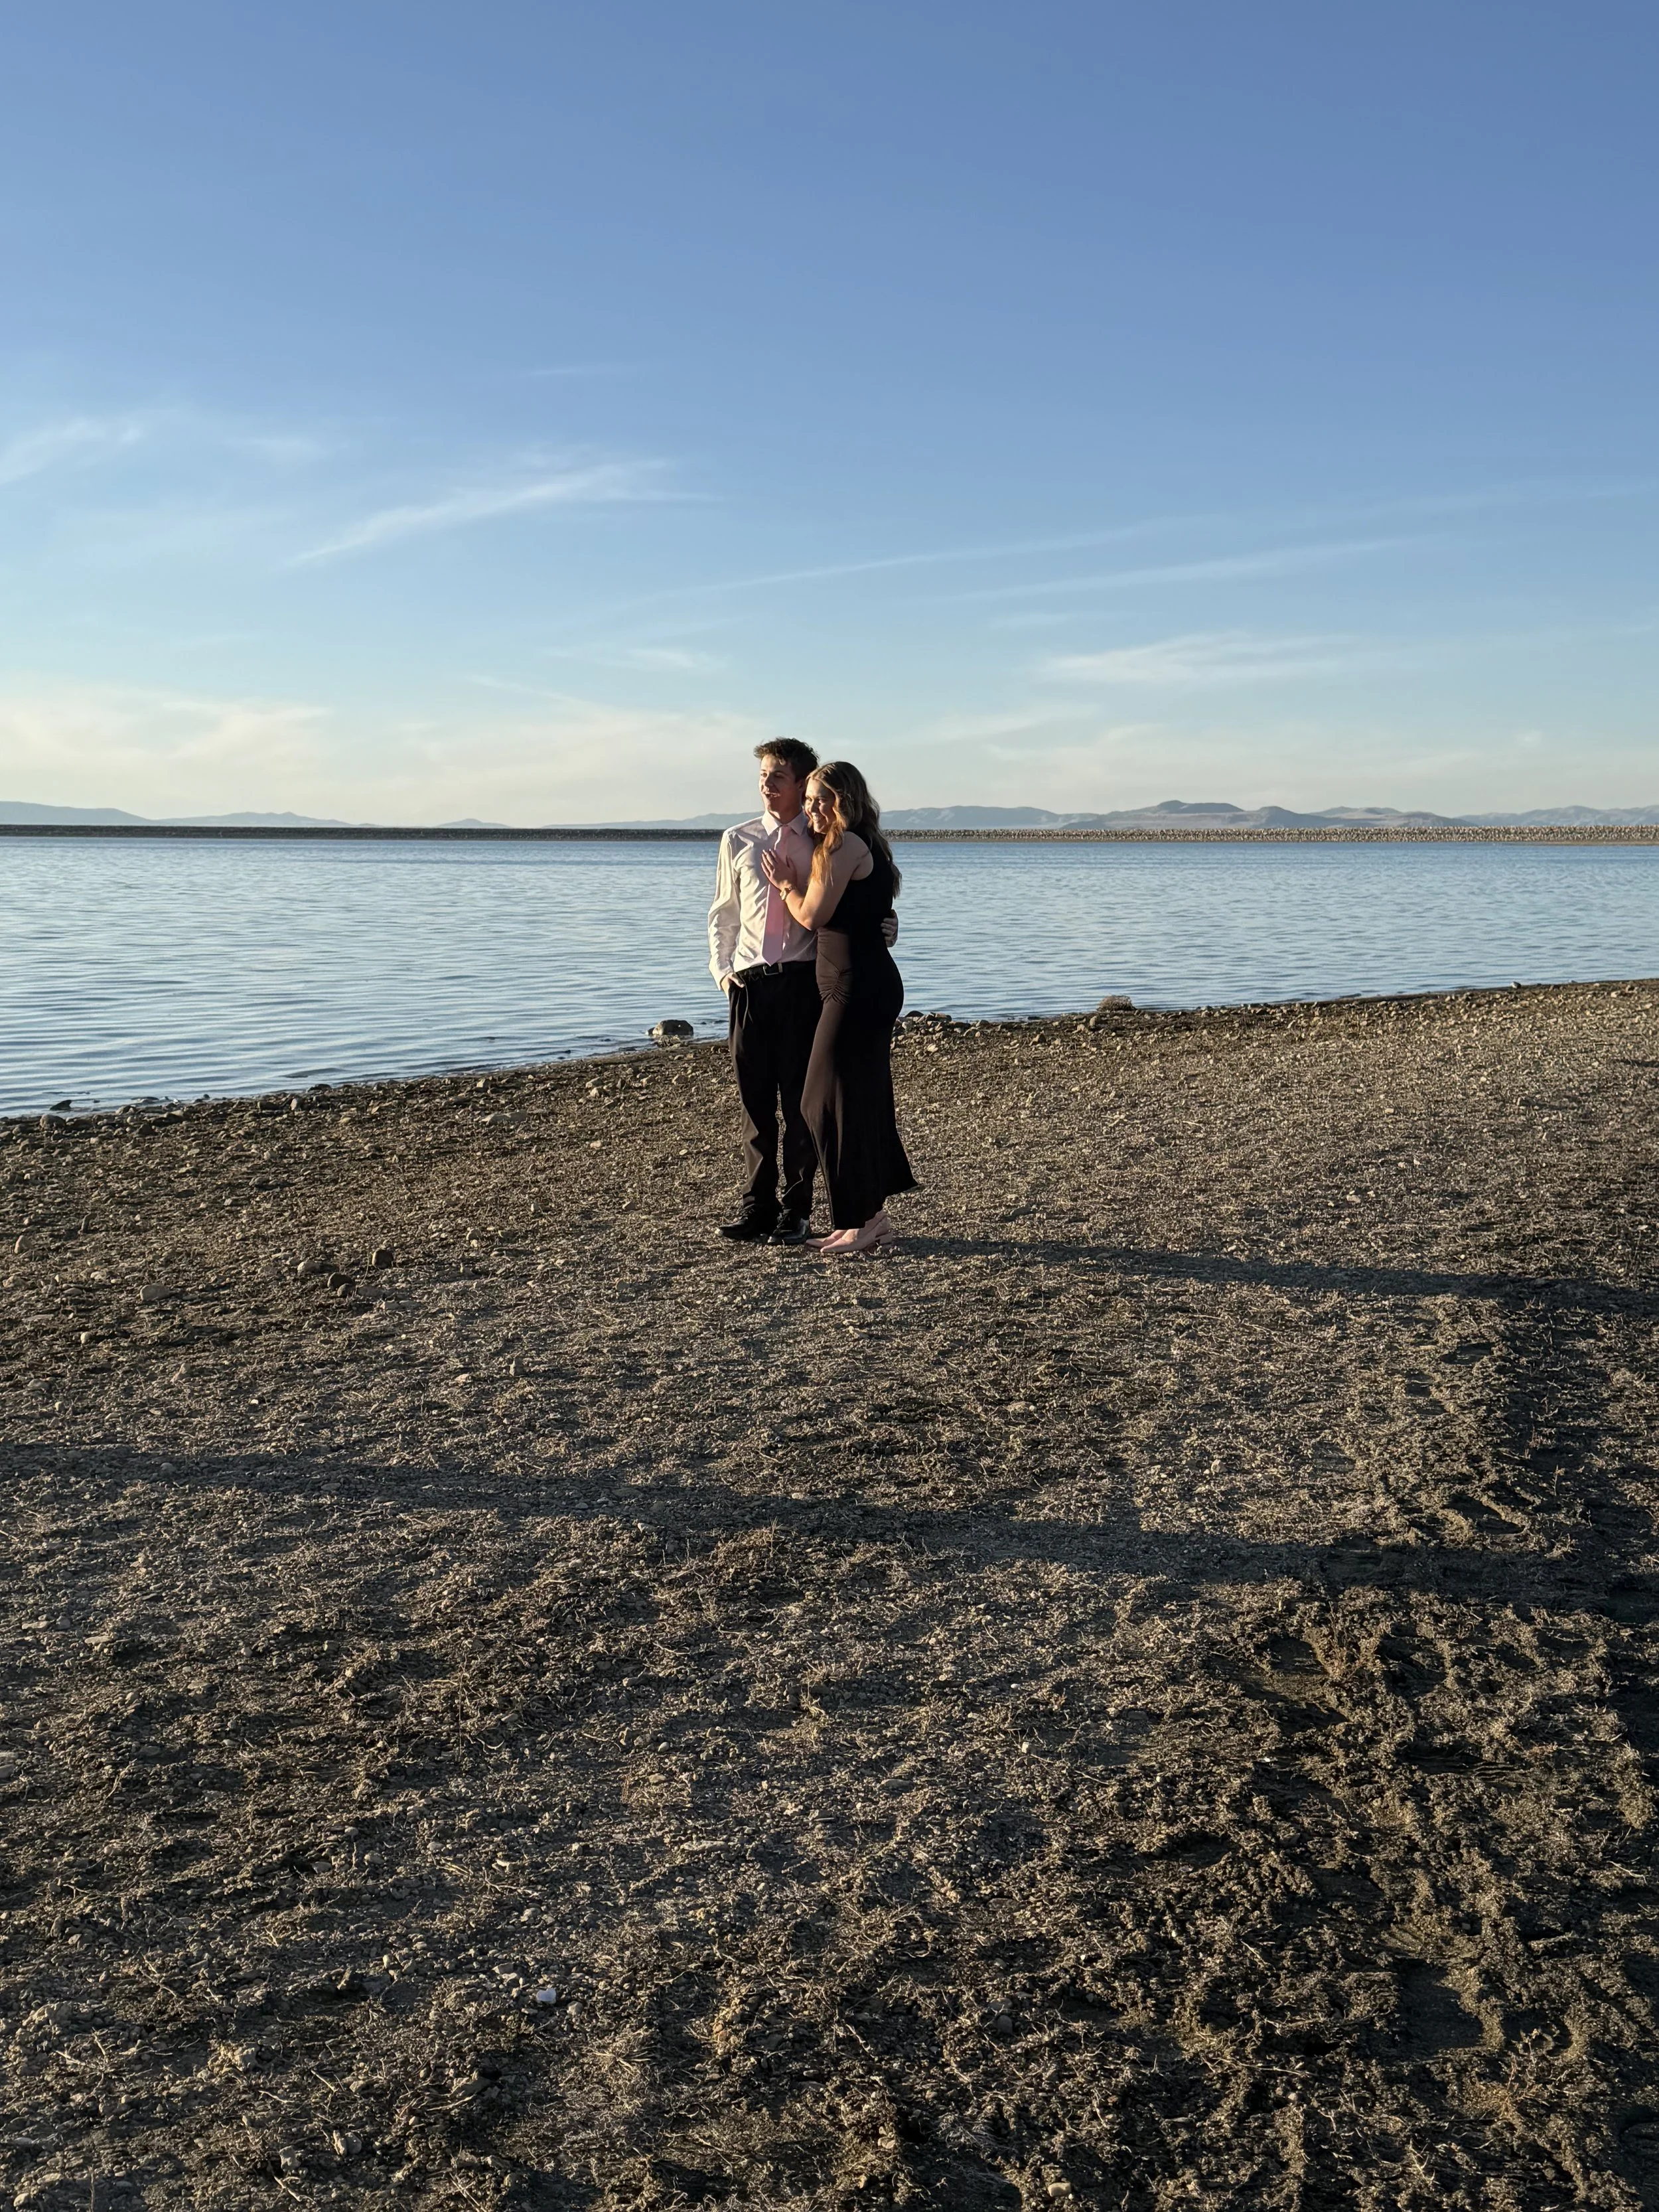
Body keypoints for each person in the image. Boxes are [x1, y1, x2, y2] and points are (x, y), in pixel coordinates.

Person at [761, 761, 916, 1255]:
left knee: (820, 1100)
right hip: (853, 986)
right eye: (807, 801)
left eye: (820, 800)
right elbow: (869, 913)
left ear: (844, 799)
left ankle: (861, 1220)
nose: (812, 809)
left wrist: (786, 884)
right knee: (855, 1101)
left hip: (859, 988)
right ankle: (866, 1219)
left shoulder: (845, 844)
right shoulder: (848, 844)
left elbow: (812, 915)